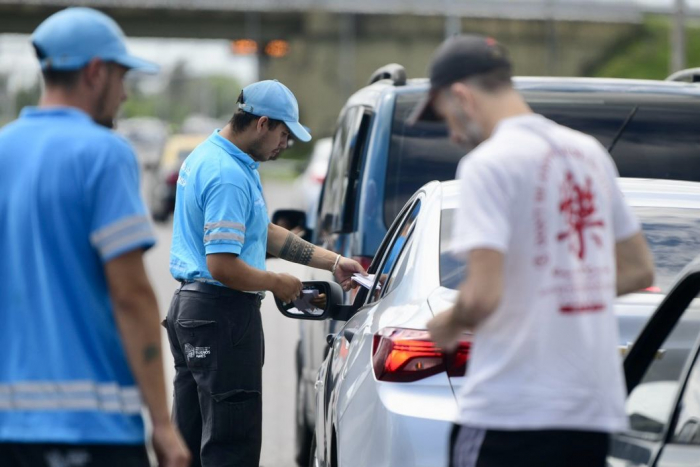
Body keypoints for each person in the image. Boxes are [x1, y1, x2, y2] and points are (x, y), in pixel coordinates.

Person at [413, 35, 655, 467]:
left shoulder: (489, 164)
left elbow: (483, 295)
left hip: (512, 411)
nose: (451, 134)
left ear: (463, 97)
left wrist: (446, 325)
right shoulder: (589, 153)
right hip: (590, 412)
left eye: (446, 116)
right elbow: (638, 270)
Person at [0, 7, 190, 467]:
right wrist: (163, 425)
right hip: (93, 428)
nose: (124, 94)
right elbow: (130, 295)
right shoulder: (103, 153)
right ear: (94, 71)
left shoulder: (4, 149)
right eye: (122, 77)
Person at [165, 79, 367, 467]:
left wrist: (333, 262)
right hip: (222, 315)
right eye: (284, 134)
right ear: (262, 123)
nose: (285, 145)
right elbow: (222, 266)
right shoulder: (228, 176)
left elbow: (265, 233)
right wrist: (279, 283)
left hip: (191, 312)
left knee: (188, 443)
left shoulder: (213, 156)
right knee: (230, 446)